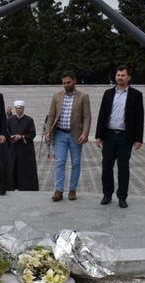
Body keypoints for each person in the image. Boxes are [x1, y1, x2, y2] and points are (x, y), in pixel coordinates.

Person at [95, 65, 144, 208]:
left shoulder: (136, 95)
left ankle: (122, 197)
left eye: (123, 75)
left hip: (125, 137)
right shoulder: (108, 93)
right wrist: (99, 135)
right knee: (106, 166)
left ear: (129, 77)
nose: (120, 77)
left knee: (123, 167)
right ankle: (107, 195)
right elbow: (102, 115)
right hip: (109, 135)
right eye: (118, 75)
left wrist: (138, 139)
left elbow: (139, 117)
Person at [45, 71, 91, 202]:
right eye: (64, 83)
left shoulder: (83, 96)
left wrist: (85, 133)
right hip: (60, 134)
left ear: (74, 81)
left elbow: (87, 117)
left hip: (75, 135)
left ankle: (72, 190)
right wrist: (48, 131)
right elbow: (51, 115)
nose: (66, 85)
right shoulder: (57, 96)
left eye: (68, 82)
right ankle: (58, 190)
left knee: (76, 163)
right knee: (60, 162)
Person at [7, 100, 39, 191]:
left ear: (23, 109)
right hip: (13, 149)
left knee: (25, 169)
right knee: (13, 167)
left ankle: (26, 187)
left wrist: (21, 136)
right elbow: (6, 133)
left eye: (20, 108)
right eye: (17, 109)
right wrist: (11, 136)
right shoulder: (9, 120)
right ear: (15, 109)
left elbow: (32, 134)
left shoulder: (29, 120)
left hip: (25, 150)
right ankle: (12, 186)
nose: (19, 110)